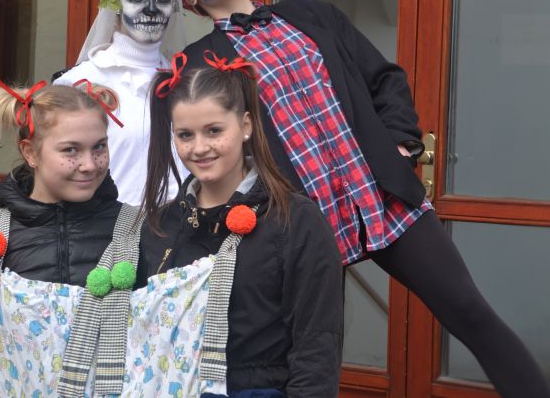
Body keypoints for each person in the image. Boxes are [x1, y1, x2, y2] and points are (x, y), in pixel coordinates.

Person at [171, 0, 550, 398]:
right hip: (300, 219)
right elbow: (216, 139)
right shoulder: (201, 61)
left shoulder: (313, 15)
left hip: (379, 196)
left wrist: (402, 144)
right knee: (313, 356)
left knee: (470, 311)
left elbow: (385, 79)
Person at [55, 53, 343, 398]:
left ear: (246, 126)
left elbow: (316, 348)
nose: (200, 148)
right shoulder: (159, 225)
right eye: (185, 135)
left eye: (214, 131)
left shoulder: (293, 221)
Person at [0, 81, 136, 397]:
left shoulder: (136, 232)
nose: (88, 164)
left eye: (99, 147)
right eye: (71, 150)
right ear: (30, 152)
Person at [54, 0, 187, 206]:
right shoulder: (79, 83)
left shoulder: (185, 81)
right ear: (114, 1)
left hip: (178, 226)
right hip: (109, 227)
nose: (151, 9)